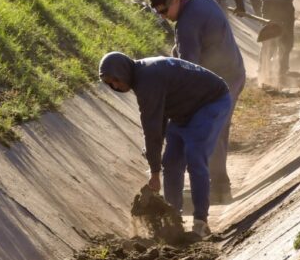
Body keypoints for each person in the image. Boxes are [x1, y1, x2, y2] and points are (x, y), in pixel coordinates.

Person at [99, 52, 231, 238]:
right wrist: (156, 165)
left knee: (195, 156)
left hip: (210, 102)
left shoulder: (147, 80)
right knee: (171, 163)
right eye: (109, 83)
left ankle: (201, 222)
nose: (115, 85)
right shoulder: (142, 76)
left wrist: (154, 173)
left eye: (115, 80)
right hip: (183, 110)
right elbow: (157, 121)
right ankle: (173, 219)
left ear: (123, 71)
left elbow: (152, 128)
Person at [149, 0, 245, 204]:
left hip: (221, 81)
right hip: (235, 72)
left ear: (175, 1)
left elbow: (188, 69)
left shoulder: (186, 24)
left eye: (164, 11)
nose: (163, 17)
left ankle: (218, 189)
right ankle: (218, 185)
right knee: (219, 130)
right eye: (158, 13)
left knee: (210, 130)